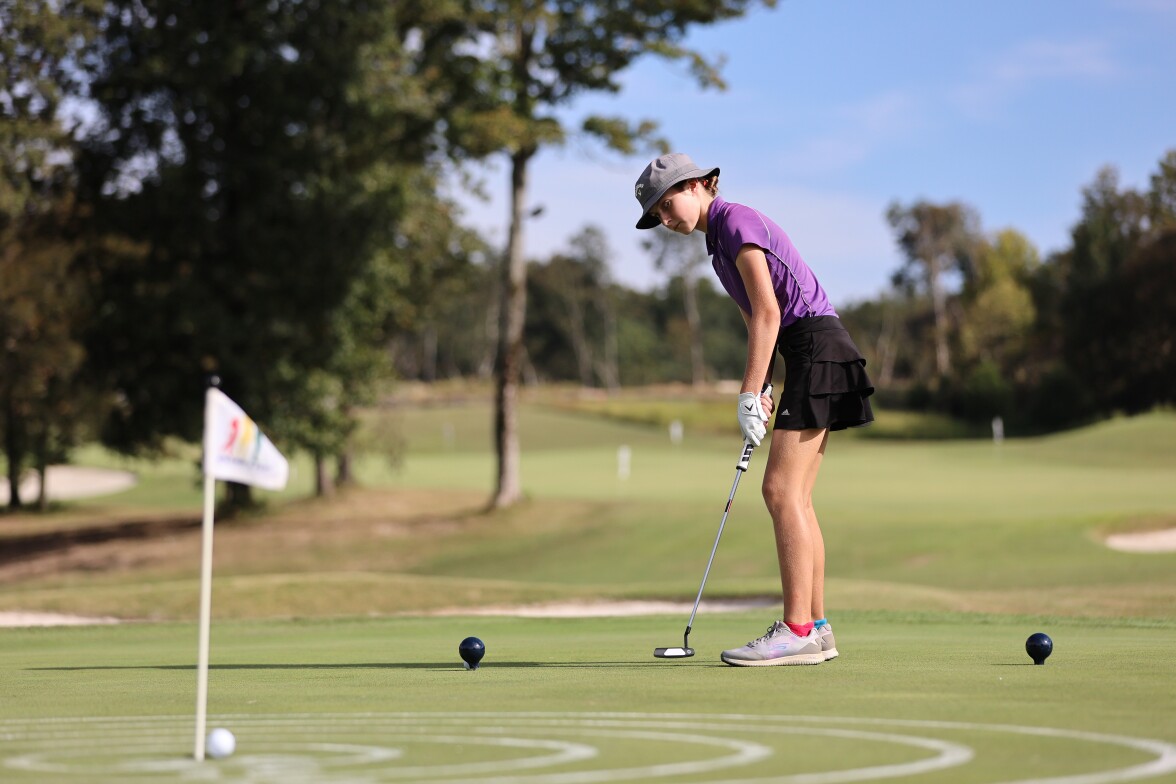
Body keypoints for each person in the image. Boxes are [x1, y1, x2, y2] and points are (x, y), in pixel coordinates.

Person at [633, 152, 875, 666]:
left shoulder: (736, 221)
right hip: (810, 350)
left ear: (699, 185)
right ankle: (819, 628)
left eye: (666, 202)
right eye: (656, 214)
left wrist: (744, 395)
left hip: (817, 347)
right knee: (799, 498)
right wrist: (762, 385)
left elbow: (770, 312)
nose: (664, 218)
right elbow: (756, 323)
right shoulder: (718, 247)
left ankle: (796, 630)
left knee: (779, 490)